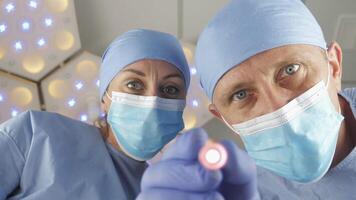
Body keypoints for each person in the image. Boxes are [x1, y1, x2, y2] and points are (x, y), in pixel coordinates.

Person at [138, 0, 356, 199]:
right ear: (224, 118)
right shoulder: (241, 190)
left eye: (291, 70)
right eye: (240, 95)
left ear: (333, 66)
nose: (276, 107)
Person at [0, 28, 190, 200]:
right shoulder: (34, 134)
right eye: (134, 84)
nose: (153, 101)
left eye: (171, 89)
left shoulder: (157, 193)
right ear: (105, 98)